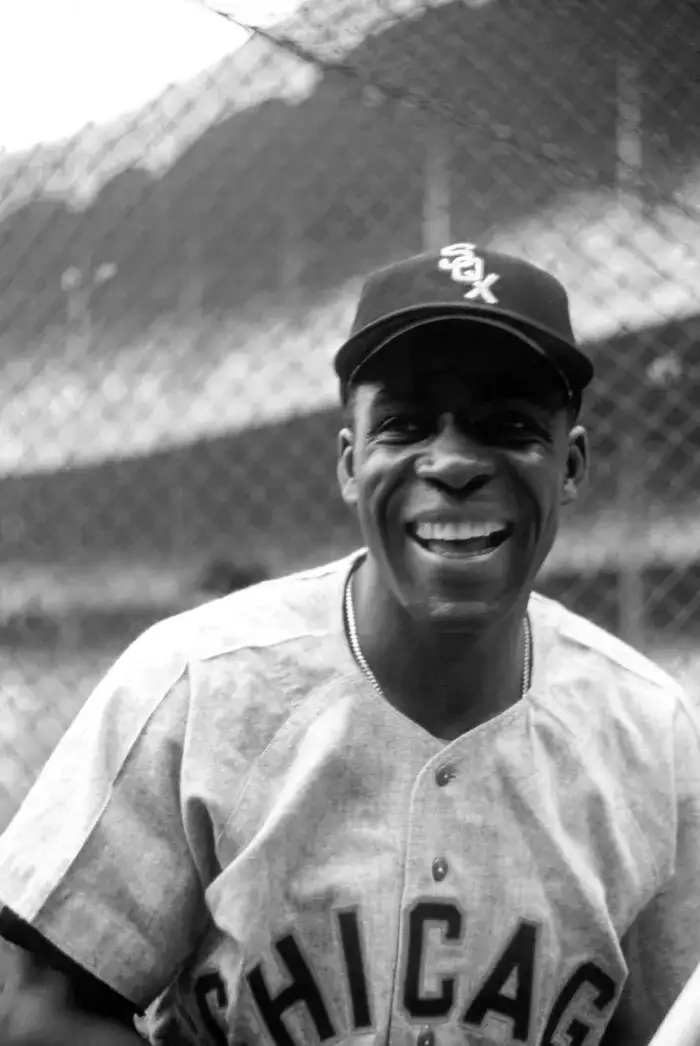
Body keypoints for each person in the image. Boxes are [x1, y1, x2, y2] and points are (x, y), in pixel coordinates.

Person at [1, 242, 699, 1046]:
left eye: (508, 425)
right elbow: (37, 1011)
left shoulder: (651, 732)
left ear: (570, 466)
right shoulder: (196, 682)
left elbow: (653, 1020)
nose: (455, 463)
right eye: (404, 425)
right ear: (349, 463)